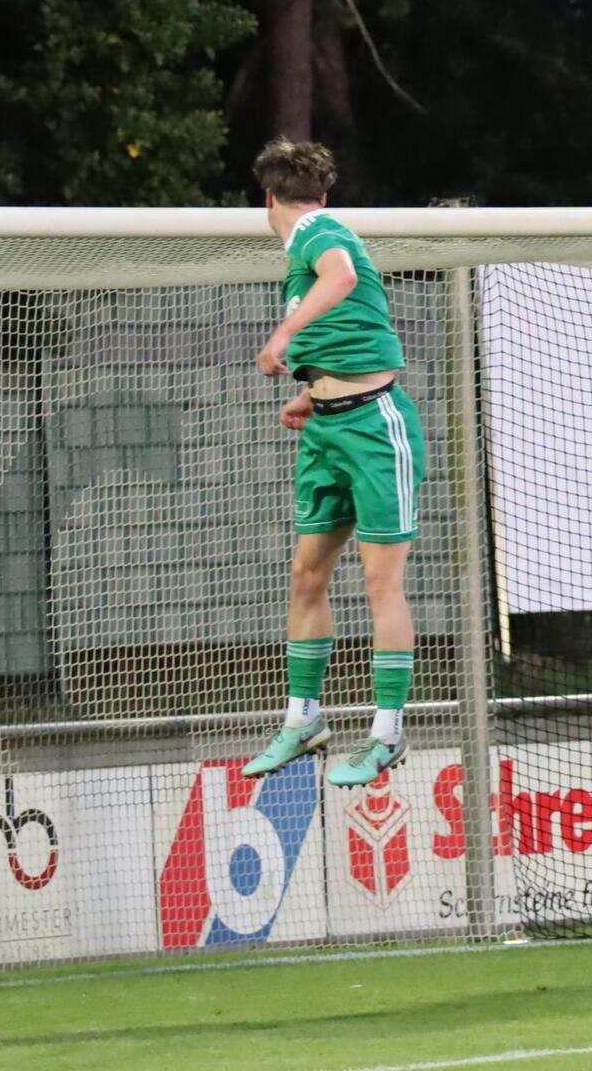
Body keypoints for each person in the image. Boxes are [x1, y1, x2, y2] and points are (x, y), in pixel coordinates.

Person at [240, 139, 425, 789]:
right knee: (305, 574)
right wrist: (308, 391)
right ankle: (303, 718)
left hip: (377, 427)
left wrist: (282, 337)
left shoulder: (318, 232)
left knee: (381, 583)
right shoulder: (306, 251)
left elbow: (342, 276)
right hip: (327, 426)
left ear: (269, 200)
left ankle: (386, 732)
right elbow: (350, 323)